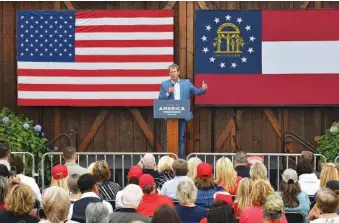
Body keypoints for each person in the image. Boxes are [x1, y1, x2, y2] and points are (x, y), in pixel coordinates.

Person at [159, 63, 208, 158]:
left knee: (180, 138)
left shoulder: (186, 83)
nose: (172, 74)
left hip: (182, 113)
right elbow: (161, 98)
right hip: (169, 114)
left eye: (174, 72)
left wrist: (202, 89)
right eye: (170, 72)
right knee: (167, 139)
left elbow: (195, 92)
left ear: (178, 72)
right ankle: (167, 161)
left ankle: (179, 160)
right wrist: (168, 93)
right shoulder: (165, 84)